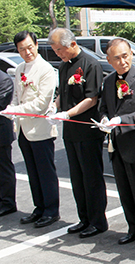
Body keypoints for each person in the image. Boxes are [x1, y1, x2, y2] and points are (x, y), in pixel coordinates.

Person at [46, 28, 108, 236]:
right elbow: (62, 94)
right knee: (77, 177)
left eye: (60, 50)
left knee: (91, 177)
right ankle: (84, 218)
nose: (59, 54)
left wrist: (68, 113)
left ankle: (98, 221)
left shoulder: (91, 64)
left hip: (87, 129)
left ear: (72, 44)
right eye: (55, 51)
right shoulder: (64, 67)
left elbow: (92, 98)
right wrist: (54, 108)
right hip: (70, 131)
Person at [97, 38, 135, 248]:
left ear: (131, 54)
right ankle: (133, 228)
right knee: (124, 189)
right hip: (116, 144)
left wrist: (120, 120)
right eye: (117, 58)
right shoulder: (108, 81)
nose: (122, 61)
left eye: (125, 56)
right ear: (109, 60)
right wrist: (105, 119)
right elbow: (103, 107)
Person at [1, 31, 60, 228]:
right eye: (21, 49)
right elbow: (17, 94)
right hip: (23, 128)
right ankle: (39, 207)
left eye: (29, 47)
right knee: (32, 171)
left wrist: (15, 110)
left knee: (45, 172)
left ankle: (51, 210)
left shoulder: (46, 69)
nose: (27, 52)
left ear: (36, 44)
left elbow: (42, 103)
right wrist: (14, 109)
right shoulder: (19, 69)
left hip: (40, 128)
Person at [0, 70, 16, 217]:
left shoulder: (3, 79)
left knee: (3, 169)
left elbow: (1, 103)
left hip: (1, 131)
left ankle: (7, 202)